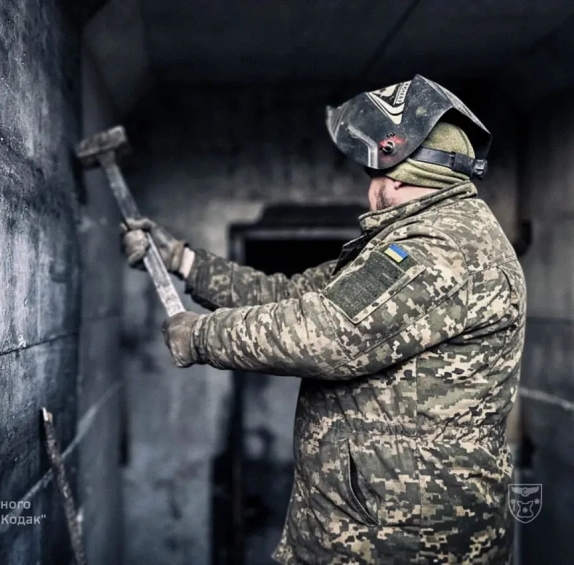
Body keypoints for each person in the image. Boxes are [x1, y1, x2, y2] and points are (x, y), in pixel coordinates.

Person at [121, 75, 525, 564]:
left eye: (372, 174)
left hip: (408, 540)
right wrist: (182, 259)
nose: (370, 189)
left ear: (398, 176)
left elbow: (326, 333)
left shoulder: (442, 248)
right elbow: (291, 295)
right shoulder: (412, 240)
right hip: (373, 523)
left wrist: (201, 335)